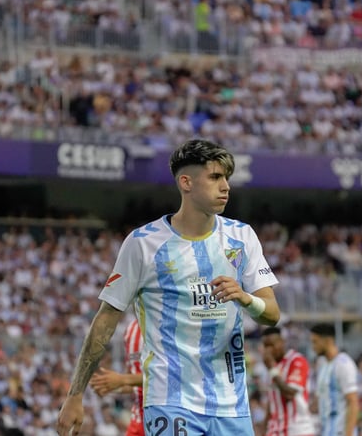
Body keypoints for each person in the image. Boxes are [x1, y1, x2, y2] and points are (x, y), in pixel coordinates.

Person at [57, 139, 281, 436]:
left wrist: (246, 299)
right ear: (186, 182)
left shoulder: (242, 236)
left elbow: (272, 314)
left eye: (226, 178)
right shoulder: (143, 243)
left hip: (232, 405)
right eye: (215, 177)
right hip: (170, 401)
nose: (225, 186)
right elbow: (105, 319)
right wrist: (75, 394)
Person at [90, 317, 145, 436]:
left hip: (164, 414)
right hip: (138, 418)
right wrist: (111, 386)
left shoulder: (166, 327)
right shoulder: (130, 330)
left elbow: (166, 378)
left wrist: (121, 379)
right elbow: (133, 384)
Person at [261, 327, 316, 436]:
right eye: (266, 346)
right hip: (275, 429)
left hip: (297, 429)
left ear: (282, 342)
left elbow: (290, 393)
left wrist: (272, 369)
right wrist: (264, 428)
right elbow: (272, 401)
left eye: (271, 345)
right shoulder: (272, 366)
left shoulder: (297, 361)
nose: (268, 350)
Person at [309, 324, 360, 436]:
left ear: (328, 340)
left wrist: (349, 434)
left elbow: (353, 403)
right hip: (327, 430)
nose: (313, 347)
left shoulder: (343, 364)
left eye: (315, 342)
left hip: (340, 431)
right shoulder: (322, 364)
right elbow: (320, 398)